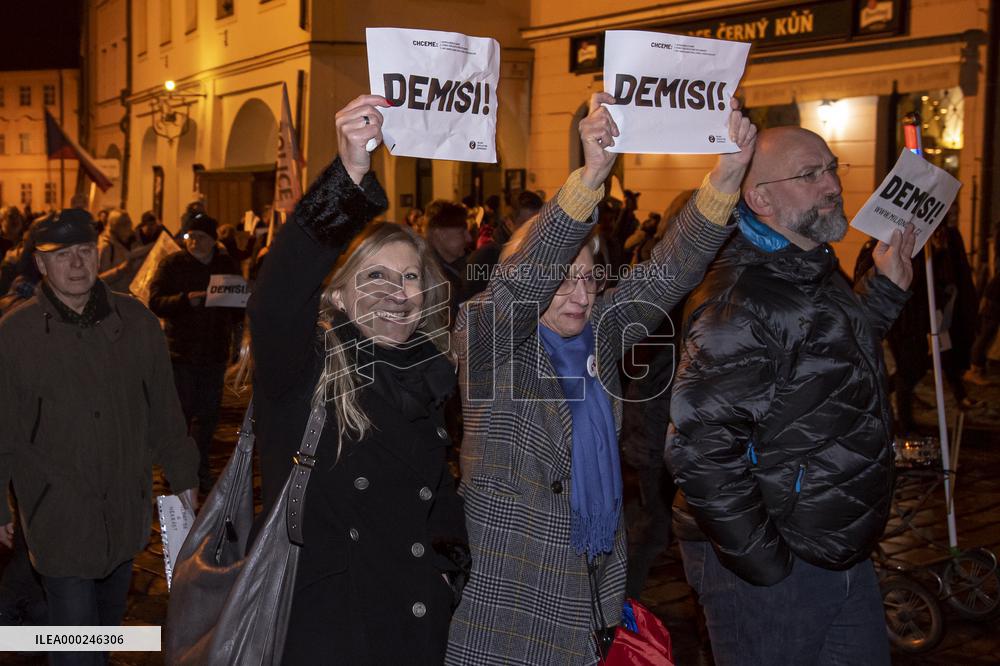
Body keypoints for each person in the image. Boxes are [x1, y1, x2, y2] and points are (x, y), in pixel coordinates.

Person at [446, 93, 756, 665]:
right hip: (510, 599)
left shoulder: (602, 336)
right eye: (563, 281)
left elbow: (668, 273)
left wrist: (727, 175)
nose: (581, 295)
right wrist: (591, 175)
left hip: (591, 592)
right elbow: (522, 284)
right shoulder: (488, 338)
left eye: (590, 279)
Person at [665, 126, 917, 666]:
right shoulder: (740, 297)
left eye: (831, 167)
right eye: (809, 174)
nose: (831, 184)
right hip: (779, 558)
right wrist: (764, 563)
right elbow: (701, 449)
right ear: (760, 198)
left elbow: (823, 360)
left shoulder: (810, 266)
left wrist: (887, 288)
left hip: (838, 543)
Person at [247, 95, 468, 665]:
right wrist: (348, 173)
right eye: (375, 275)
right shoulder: (301, 369)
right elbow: (276, 295)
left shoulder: (431, 374)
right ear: (339, 293)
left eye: (410, 277)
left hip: (413, 620)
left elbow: (438, 499)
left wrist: (448, 568)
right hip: (326, 629)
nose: (397, 292)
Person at [0, 208, 198, 665]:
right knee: (77, 650)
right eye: (62, 254)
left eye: (85, 251)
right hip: (57, 516)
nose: (76, 264)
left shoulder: (137, 322)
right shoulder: (15, 334)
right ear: (40, 264)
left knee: (105, 636)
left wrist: (183, 473)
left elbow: (166, 410)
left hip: (125, 513)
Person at [855, 209, 978, 432]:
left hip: (919, 321)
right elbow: (865, 284)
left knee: (915, 368)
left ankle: (893, 406)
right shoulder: (875, 249)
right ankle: (903, 419)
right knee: (908, 369)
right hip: (901, 323)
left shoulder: (932, 248)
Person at [149, 210, 242, 494]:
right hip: (181, 352)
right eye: (190, 236)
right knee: (181, 415)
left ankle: (199, 467)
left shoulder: (226, 265)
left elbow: (239, 307)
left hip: (213, 352)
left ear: (213, 240)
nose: (193, 242)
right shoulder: (173, 264)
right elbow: (155, 300)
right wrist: (183, 300)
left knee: (208, 416)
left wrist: (237, 341)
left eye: (200, 237)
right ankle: (175, 468)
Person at [460, 190, 543, 301]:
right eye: (526, 224)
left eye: (539, 224)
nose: (534, 230)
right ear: (509, 223)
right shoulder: (486, 258)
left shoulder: (541, 252)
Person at [423, 199, 471, 315]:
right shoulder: (429, 280)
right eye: (461, 232)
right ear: (439, 234)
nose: (469, 238)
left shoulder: (454, 269)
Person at [97, 209, 149, 294]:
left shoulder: (134, 242)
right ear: (114, 227)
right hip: (114, 299)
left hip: (131, 297)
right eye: (124, 224)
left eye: (129, 222)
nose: (129, 227)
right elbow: (97, 281)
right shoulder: (106, 247)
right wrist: (120, 270)